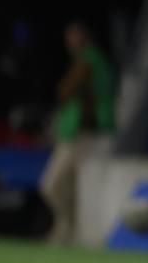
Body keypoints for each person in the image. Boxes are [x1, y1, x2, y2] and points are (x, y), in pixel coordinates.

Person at [39, 22, 116, 244]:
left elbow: (66, 90)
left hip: (85, 135)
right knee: (67, 187)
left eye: (74, 37)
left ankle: (68, 230)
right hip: (79, 133)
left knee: (52, 185)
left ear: (85, 38)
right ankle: (67, 231)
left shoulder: (90, 61)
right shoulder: (90, 61)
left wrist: (65, 91)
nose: (70, 43)